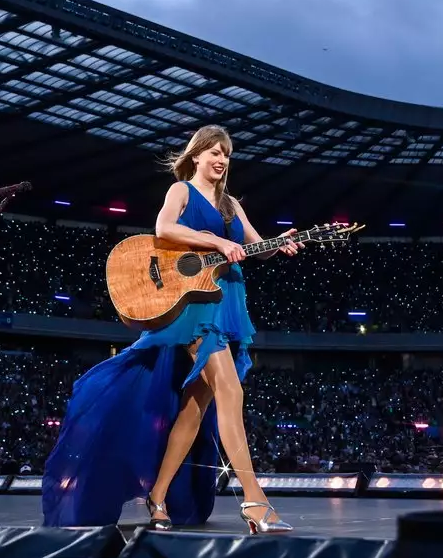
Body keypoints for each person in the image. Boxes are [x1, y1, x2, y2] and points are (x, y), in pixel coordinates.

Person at [42, 125, 298, 533]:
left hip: (228, 304)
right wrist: (216, 242)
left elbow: (255, 247)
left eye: (227, 154)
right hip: (195, 309)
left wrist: (278, 243)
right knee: (231, 392)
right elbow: (163, 229)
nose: (221, 159)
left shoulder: (232, 204)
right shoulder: (182, 191)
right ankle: (254, 500)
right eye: (214, 152)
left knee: (194, 410)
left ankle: (157, 495)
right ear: (196, 155)